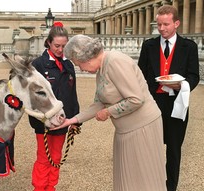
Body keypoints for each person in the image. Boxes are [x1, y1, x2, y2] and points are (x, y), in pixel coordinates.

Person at [52, 34, 166, 191]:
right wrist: (72, 121)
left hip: (142, 128)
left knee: (144, 181)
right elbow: (98, 104)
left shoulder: (115, 61)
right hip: (125, 131)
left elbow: (136, 99)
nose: (81, 69)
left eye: (79, 64)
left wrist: (108, 112)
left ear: (87, 58)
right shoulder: (101, 70)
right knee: (127, 180)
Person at [137, 5, 200, 191]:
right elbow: (140, 74)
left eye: (166, 24)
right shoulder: (148, 46)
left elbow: (194, 76)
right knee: (150, 149)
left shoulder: (189, 47)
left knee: (173, 150)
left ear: (176, 23)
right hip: (152, 105)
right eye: (159, 24)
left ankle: (170, 187)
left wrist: (181, 85)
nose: (162, 28)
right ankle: (151, 184)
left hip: (176, 104)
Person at [28, 22, 81, 191]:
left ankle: (51, 187)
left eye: (64, 46)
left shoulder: (69, 65)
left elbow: (72, 95)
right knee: (44, 157)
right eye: (57, 45)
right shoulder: (38, 65)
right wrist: (40, 120)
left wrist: (75, 120)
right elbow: (32, 98)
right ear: (49, 43)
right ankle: (39, 188)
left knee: (56, 157)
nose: (60, 49)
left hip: (63, 120)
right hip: (44, 122)